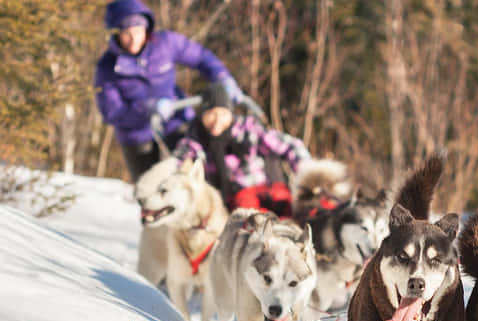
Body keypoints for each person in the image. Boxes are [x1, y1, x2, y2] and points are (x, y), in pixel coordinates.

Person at [94, 0, 247, 182]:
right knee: (148, 185)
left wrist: (222, 77)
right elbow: (112, 112)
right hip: (135, 133)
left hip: (175, 116)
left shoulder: (165, 43)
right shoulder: (106, 68)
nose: (133, 38)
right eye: (126, 33)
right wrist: (146, 109)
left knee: (194, 170)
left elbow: (200, 57)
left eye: (137, 31)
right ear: (116, 34)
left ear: (146, 29)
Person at [173, 83, 314, 218]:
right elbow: (177, 162)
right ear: (202, 115)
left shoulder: (248, 130)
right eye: (211, 114)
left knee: (290, 206)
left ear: (230, 113)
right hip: (237, 197)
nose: (217, 120)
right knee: (249, 212)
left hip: (267, 187)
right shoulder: (195, 140)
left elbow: (290, 145)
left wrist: (308, 174)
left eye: (223, 113)